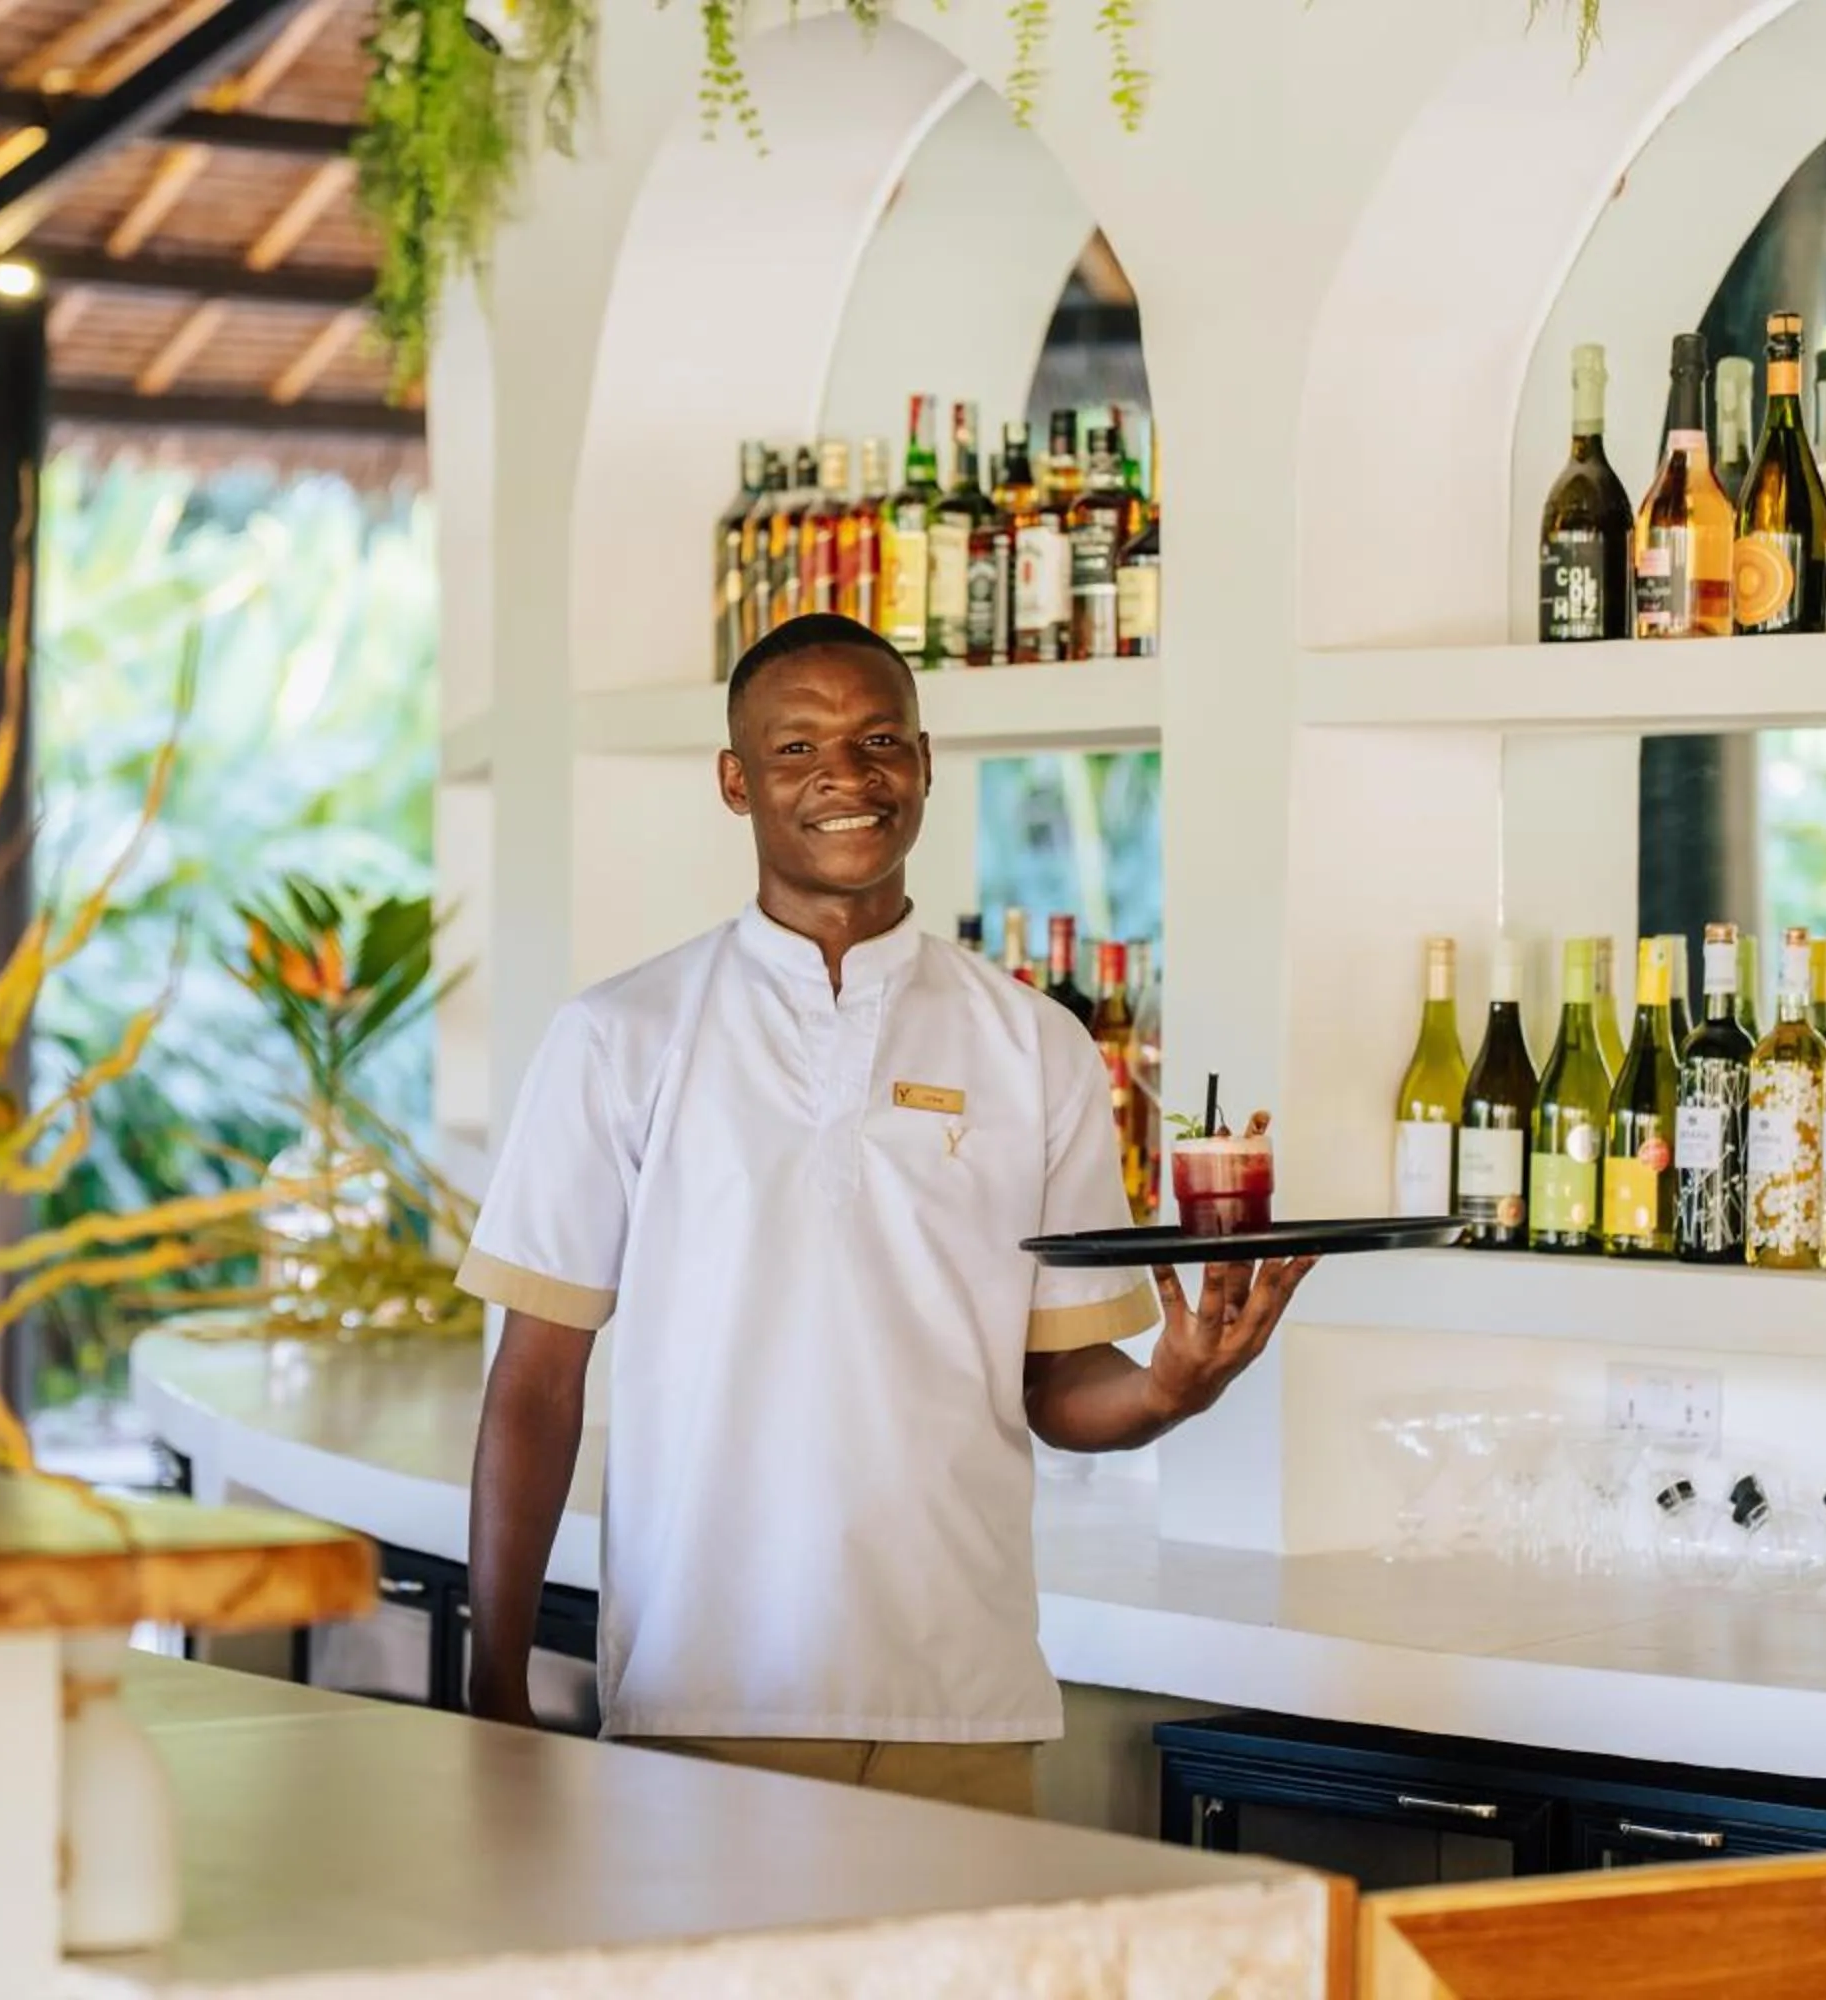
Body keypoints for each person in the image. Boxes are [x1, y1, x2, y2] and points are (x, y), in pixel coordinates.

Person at [454, 614, 1314, 1815]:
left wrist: (1177, 1383)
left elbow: (1058, 1387)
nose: (846, 777)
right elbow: (536, 1380)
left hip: (965, 1704)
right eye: (797, 747)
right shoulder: (619, 1038)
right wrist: (490, 1679)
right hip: (707, 1705)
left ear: (923, 762)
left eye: (877, 741)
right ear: (736, 780)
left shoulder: (1037, 1047)